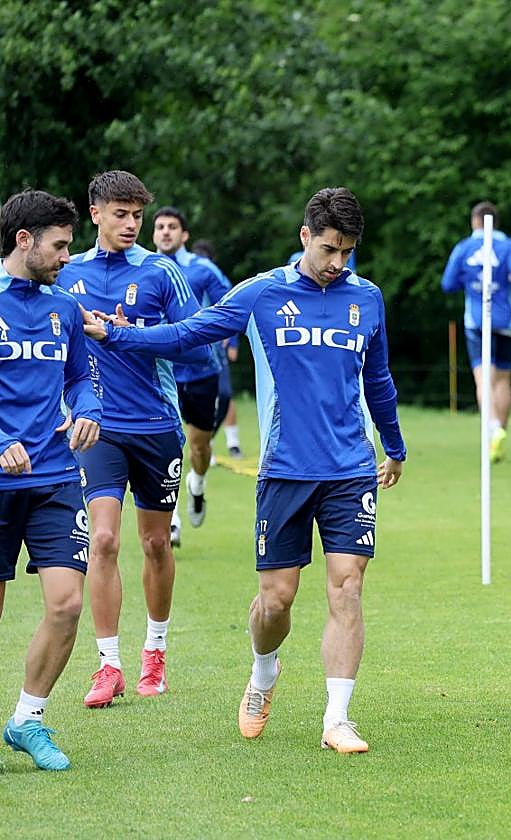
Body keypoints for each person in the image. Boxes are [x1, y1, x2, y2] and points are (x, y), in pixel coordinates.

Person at [84, 187, 406, 754]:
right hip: (283, 470)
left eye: (348, 252)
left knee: (347, 588)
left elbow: (377, 380)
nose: (337, 263)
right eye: (330, 249)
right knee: (276, 602)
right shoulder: (261, 293)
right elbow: (190, 333)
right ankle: (263, 671)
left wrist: (395, 446)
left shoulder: (368, 299)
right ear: (305, 237)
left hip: (351, 468)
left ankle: (337, 719)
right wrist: (119, 333)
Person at [56, 171, 211, 708]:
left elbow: (199, 348)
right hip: (95, 428)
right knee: (102, 540)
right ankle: (108, 665)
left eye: (136, 216)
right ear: (94, 212)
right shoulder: (65, 272)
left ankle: (156, 651)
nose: (129, 224)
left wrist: (131, 334)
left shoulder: (161, 272)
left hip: (157, 427)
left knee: (154, 543)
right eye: (119, 214)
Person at [0, 189, 101, 769]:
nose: (67, 255)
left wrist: (88, 410)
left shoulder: (64, 309)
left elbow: (81, 379)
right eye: (60, 245)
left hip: (57, 478)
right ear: (24, 241)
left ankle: (26, 720)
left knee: (66, 606)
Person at [152, 208, 229, 543]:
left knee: (198, 448)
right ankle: (171, 520)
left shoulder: (202, 269)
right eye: (160, 227)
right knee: (166, 445)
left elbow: (230, 303)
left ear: (184, 235)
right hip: (158, 372)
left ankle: (197, 484)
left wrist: (229, 337)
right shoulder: (144, 268)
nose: (166, 232)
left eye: (172, 227)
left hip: (200, 370)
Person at [441, 202, 511, 462]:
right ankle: (499, 435)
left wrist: (469, 282)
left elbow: (447, 283)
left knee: (483, 379)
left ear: (474, 221)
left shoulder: (465, 247)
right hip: (506, 319)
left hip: (477, 320)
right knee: (502, 380)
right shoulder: (509, 245)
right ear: (496, 221)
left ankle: (491, 428)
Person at [192, 239, 243, 459]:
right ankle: (201, 445)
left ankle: (227, 442)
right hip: (191, 346)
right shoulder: (182, 277)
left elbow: (233, 310)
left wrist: (232, 341)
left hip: (215, 348)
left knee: (224, 394)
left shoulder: (217, 279)